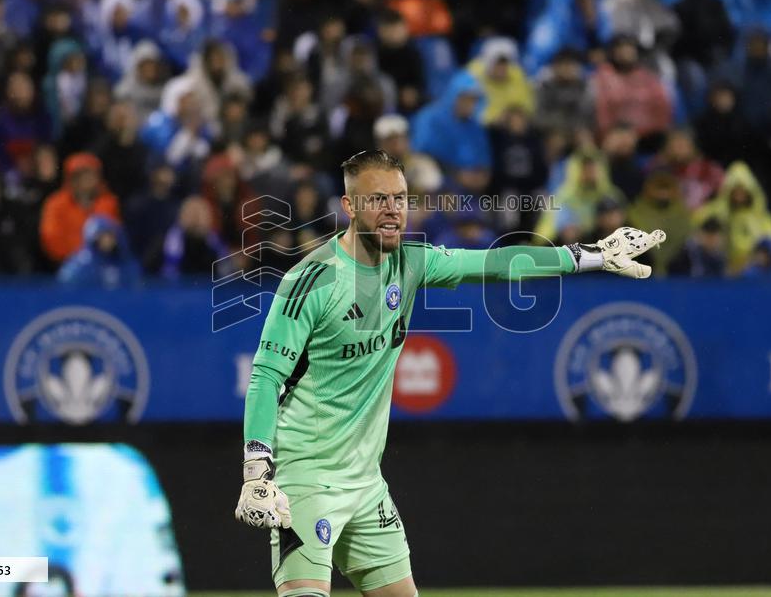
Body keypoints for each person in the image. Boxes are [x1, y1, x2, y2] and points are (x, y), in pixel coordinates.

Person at [233, 149, 665, 597]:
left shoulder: (412, 262)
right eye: (378, 200)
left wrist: (590, 254)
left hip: (366, 484)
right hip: (306, 478)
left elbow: (494, 265)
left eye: (400, 198)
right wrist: (256, 471)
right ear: (350, 207)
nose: (393, 210)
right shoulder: (311, 281)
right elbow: (267, 376)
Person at [39, 152, 121, 265]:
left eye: (91, 175)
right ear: (71, 178)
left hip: (103, 264)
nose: (87, 180)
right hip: (62, 265)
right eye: (81, 175)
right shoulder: (56, 204)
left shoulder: (109, 203)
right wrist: (80, 257)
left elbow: (116, 236)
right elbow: (51, 237)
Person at [58, 214, 141, 287]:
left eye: (110, 235)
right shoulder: (79, 265)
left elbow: (136, 286)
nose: (107, 240)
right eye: (102, 236)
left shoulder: (126, 261)